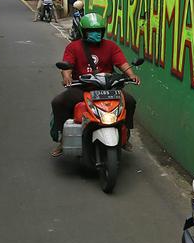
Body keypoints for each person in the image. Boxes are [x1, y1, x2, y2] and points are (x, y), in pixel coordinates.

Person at [49, 13, 140, 156]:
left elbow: (122, 62)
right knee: (59, 102)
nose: (95, 34)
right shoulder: (74, 47)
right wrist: (67, 77)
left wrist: (131, 75)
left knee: (129, 101)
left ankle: (125, 134)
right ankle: (62, 139)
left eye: (98, 31)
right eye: (91, 31)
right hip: (83, 87)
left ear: (103, 31)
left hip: (108, 88)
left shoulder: (111, 46)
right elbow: (67, 65)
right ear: (83, 32)